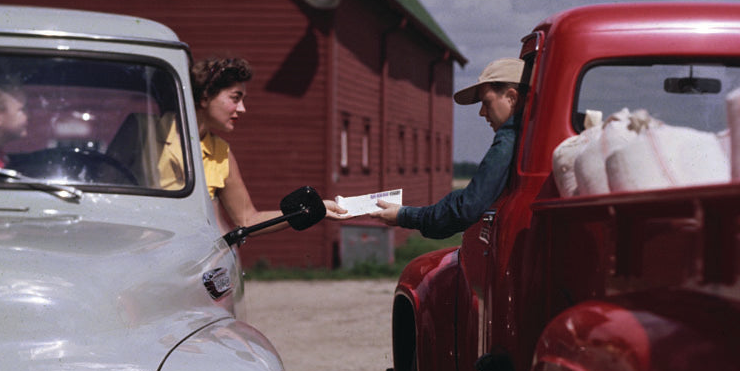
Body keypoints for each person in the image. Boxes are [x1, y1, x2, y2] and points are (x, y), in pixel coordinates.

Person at [369, 57, 524, 238]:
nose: (482, 112)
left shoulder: (509, 138)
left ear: (512, 98)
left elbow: (468, 206)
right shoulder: (527, 135)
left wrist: (405, 215)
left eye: (486, 102)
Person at [190, 56, 346, 229]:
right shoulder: (157, 138)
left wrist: (314, 209)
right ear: (205, 97)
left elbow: (248, 220)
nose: (242, 109)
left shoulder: (220, 152)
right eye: (235, 98)